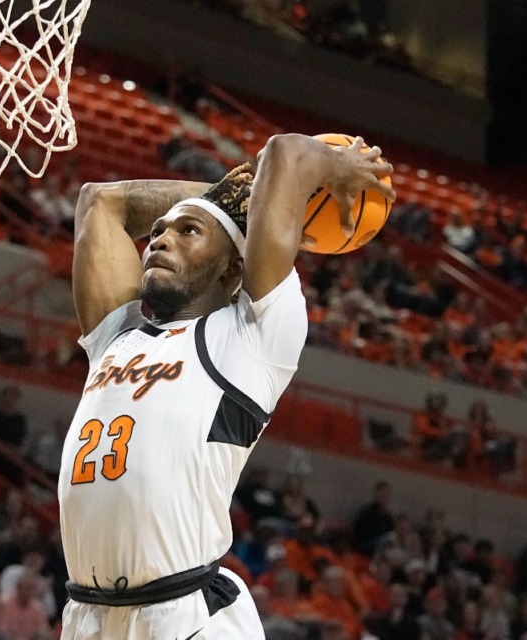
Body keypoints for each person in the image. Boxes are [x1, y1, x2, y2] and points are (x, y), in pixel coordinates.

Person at [58, 134, 394, 639]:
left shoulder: (250, 338)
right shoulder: (116, 336)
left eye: (187, 231)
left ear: (234, 266)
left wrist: (330, 164)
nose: (159, 239)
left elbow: (285, 152)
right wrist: (224, 198)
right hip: (90, 616)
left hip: (183, 616)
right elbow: (101, 202)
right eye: (158, 232)